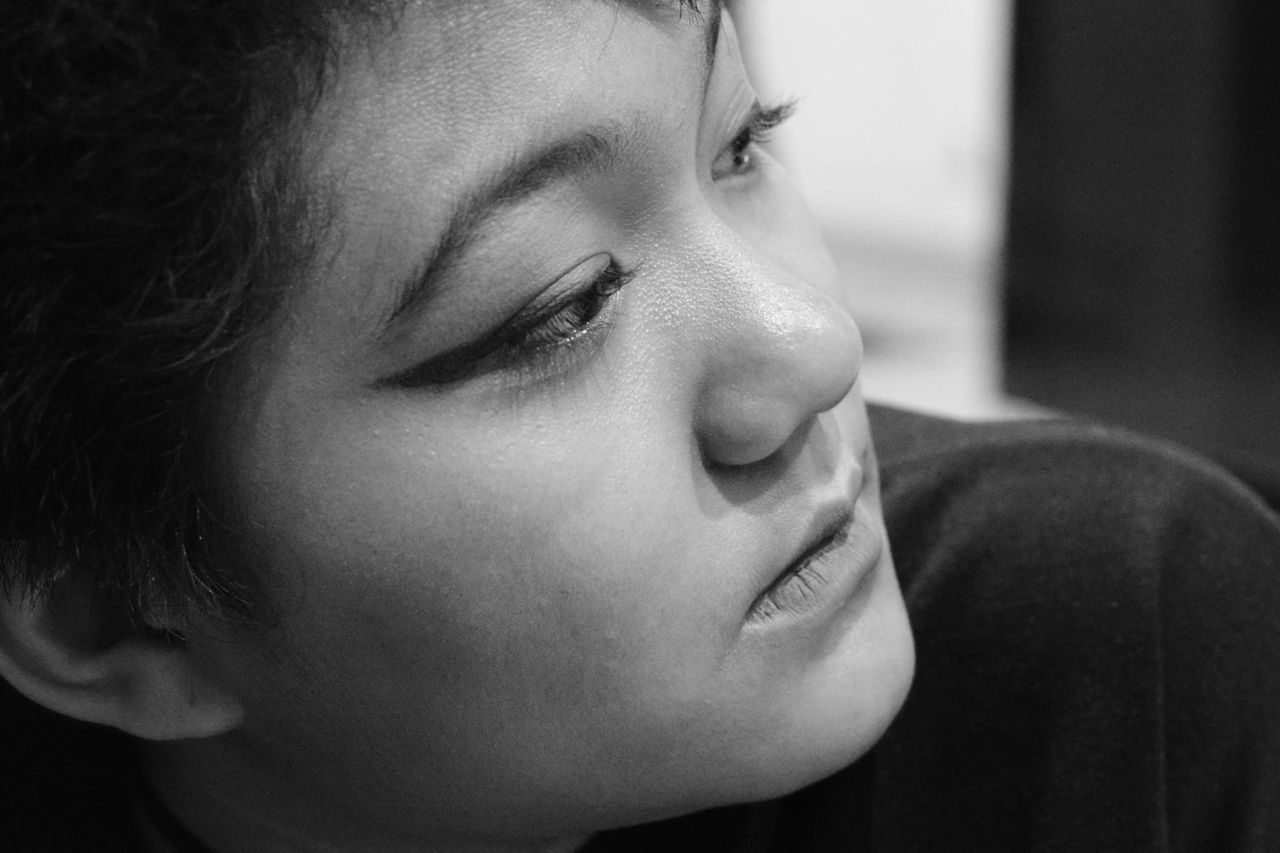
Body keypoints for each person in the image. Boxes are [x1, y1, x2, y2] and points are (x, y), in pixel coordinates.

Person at [1, 1, 1277, 851]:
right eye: (560, 311)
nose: (812, 345)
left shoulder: (1116, 650)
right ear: (117, 615)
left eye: (742, 144)